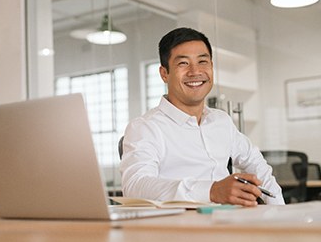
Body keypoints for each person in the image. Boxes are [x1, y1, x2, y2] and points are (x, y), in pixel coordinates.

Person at [120, 27, 285, 206]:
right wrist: (211, 191)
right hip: (180, 228)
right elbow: (135, 185)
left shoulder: (221, 121)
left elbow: (257, 165)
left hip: (229, 224)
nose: (195, 71)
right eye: (183, 63)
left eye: (203, 62)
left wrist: (281, 212)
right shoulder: (145, 127)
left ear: (212, 67)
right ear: (164, 73)